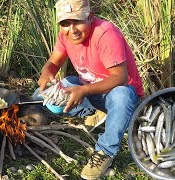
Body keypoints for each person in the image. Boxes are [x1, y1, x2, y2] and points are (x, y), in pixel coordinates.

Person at [35, 0, 144, 179]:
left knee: (122, 95)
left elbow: (120, 78)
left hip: (120, 94)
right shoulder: (65, 36)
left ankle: (105, 151)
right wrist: (47, 72)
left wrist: (83, 91)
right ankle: (99, 113)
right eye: (65, 23)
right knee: (43, 98)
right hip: (89, 90)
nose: (72, 30)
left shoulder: (105, 34)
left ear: (90, 17)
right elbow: (54, 61)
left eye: (77, 21)